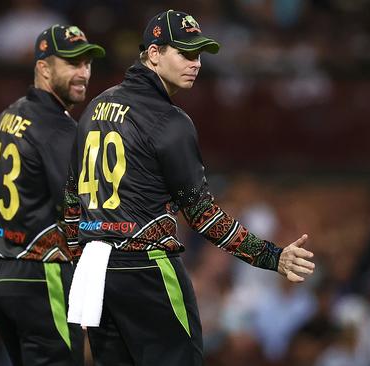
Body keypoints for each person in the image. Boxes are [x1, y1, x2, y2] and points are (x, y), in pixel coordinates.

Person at [63, 10, 316, 365]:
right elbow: (203, 216)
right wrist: (271, 256)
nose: (195, 63)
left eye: (198, 54)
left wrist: (78, 260)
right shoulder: (170, 121)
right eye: (184, 53)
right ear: (153, 54)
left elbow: (71, 198)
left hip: (95, 269)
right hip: (146, 268)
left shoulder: (94, 108)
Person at [0, 24, 105, 366]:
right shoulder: (59, 130)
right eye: (73, 63)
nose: (83, 73)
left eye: (87, 64)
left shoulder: (2, 119)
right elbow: (80, 212)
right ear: (44, 68)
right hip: (41, 276)